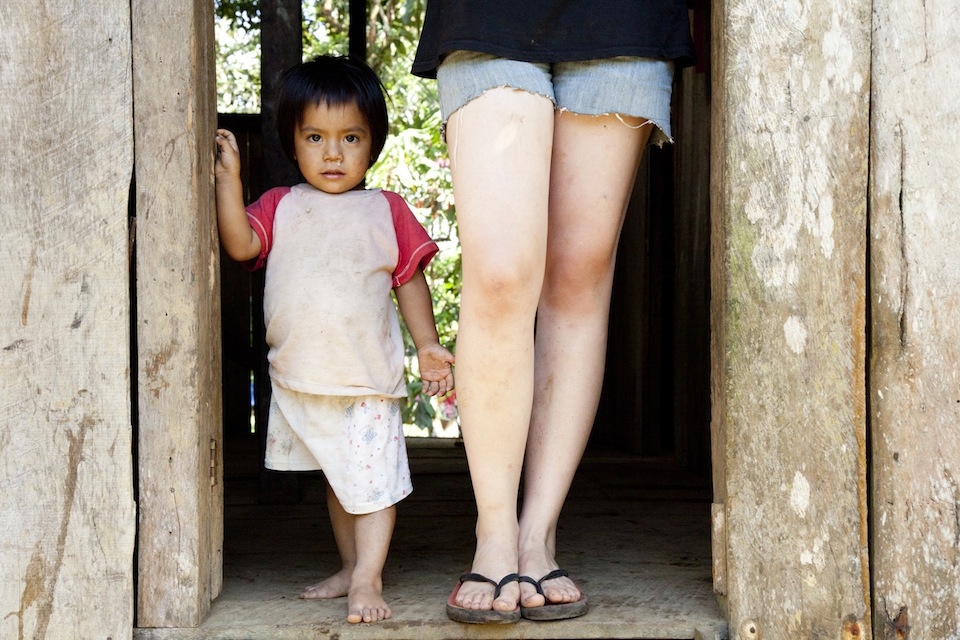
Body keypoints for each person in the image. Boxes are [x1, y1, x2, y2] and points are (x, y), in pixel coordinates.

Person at [412, 1, 695, 624]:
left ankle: (537, 535)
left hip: (622, 21)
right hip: (487, 16)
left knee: (578, 277)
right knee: (501, 272)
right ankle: (494, 534)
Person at [214, 55, 455, 624]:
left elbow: (410, 282)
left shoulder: (384, 210)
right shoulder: (281, 206)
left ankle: (368, 578)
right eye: (315, 137)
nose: (332, 153)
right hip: (302, 376)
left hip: (365, 378)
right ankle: (351, 567)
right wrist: (230, 184)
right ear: (292, 143)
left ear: (373, 144)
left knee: (371, 488)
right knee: (342, 482)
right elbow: (242, 246)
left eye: (350, 137)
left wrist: (427, 345)